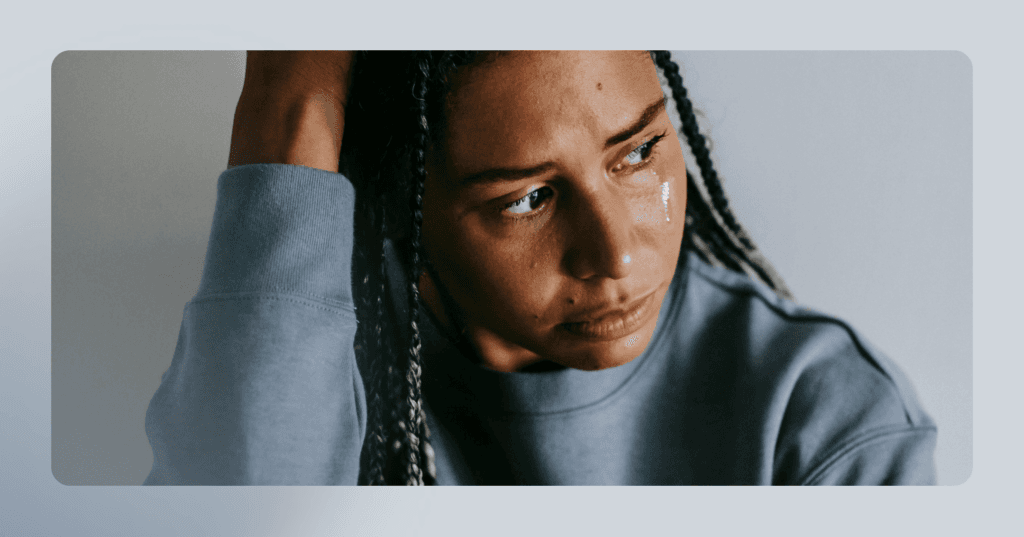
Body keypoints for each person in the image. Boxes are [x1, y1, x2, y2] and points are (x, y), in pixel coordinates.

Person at [143, 51, 937, 485]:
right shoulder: (316, 364)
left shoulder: (821, 420)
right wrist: (291, 94)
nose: (617, 253)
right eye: (528, 198)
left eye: (639, 152)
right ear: (400, 208)